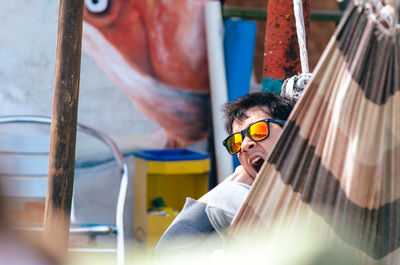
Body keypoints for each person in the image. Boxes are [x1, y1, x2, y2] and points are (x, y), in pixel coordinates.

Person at [154, 92, 296, 256]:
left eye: (258, 131)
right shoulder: (241, 199)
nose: (244, 145)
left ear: (290, 131)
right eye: (236, 141)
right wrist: (235, 180)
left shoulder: (319, 182)